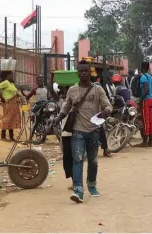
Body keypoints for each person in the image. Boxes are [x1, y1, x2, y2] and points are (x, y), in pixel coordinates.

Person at [51, 61, 112, 203]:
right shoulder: (72, 90)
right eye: (80, 71)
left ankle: (92, 185)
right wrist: (58, 117)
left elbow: (107, 105)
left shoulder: (98, 90)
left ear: (89, 72)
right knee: (77, 160)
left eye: (85, 70)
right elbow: (66, 107)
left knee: (93, 161)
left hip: (94, 131)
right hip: (78, 132)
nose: (83, 73)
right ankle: (78, 191)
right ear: (77, 72)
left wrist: (106, 112)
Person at [0, 71, 20, 141]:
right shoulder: (5, 82)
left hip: (13, 104)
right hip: (8, 103)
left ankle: (11, 137)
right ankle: (3, 136)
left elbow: (13, 92)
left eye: (12, 75)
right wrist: (2, 98)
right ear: (6, 76)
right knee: (7, 119)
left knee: (11, 120)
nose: (12, 76)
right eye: (11, 75)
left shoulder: (12, 83)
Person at [136, 62, 152, 148]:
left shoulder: (143, 77)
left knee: (145, 121)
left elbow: (146, 89)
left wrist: (140, 99)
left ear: (142, 68)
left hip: (145, 100)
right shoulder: (151, 77)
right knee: (150, 120)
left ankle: (145, 142)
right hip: (151, 100)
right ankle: (150, 141)